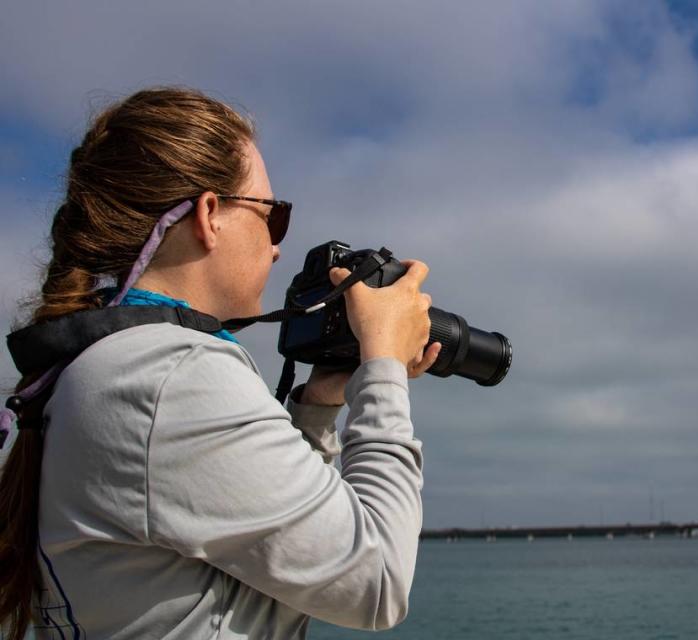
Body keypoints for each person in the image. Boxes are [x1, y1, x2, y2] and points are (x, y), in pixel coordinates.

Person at [0, 87, 441, 639]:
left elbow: (258, 534)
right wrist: (383, 367)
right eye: (273, 216)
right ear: (210, 214)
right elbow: (376, 581)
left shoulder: (101, 368)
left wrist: (321, 403)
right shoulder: (170, 376)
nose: (277, 247)